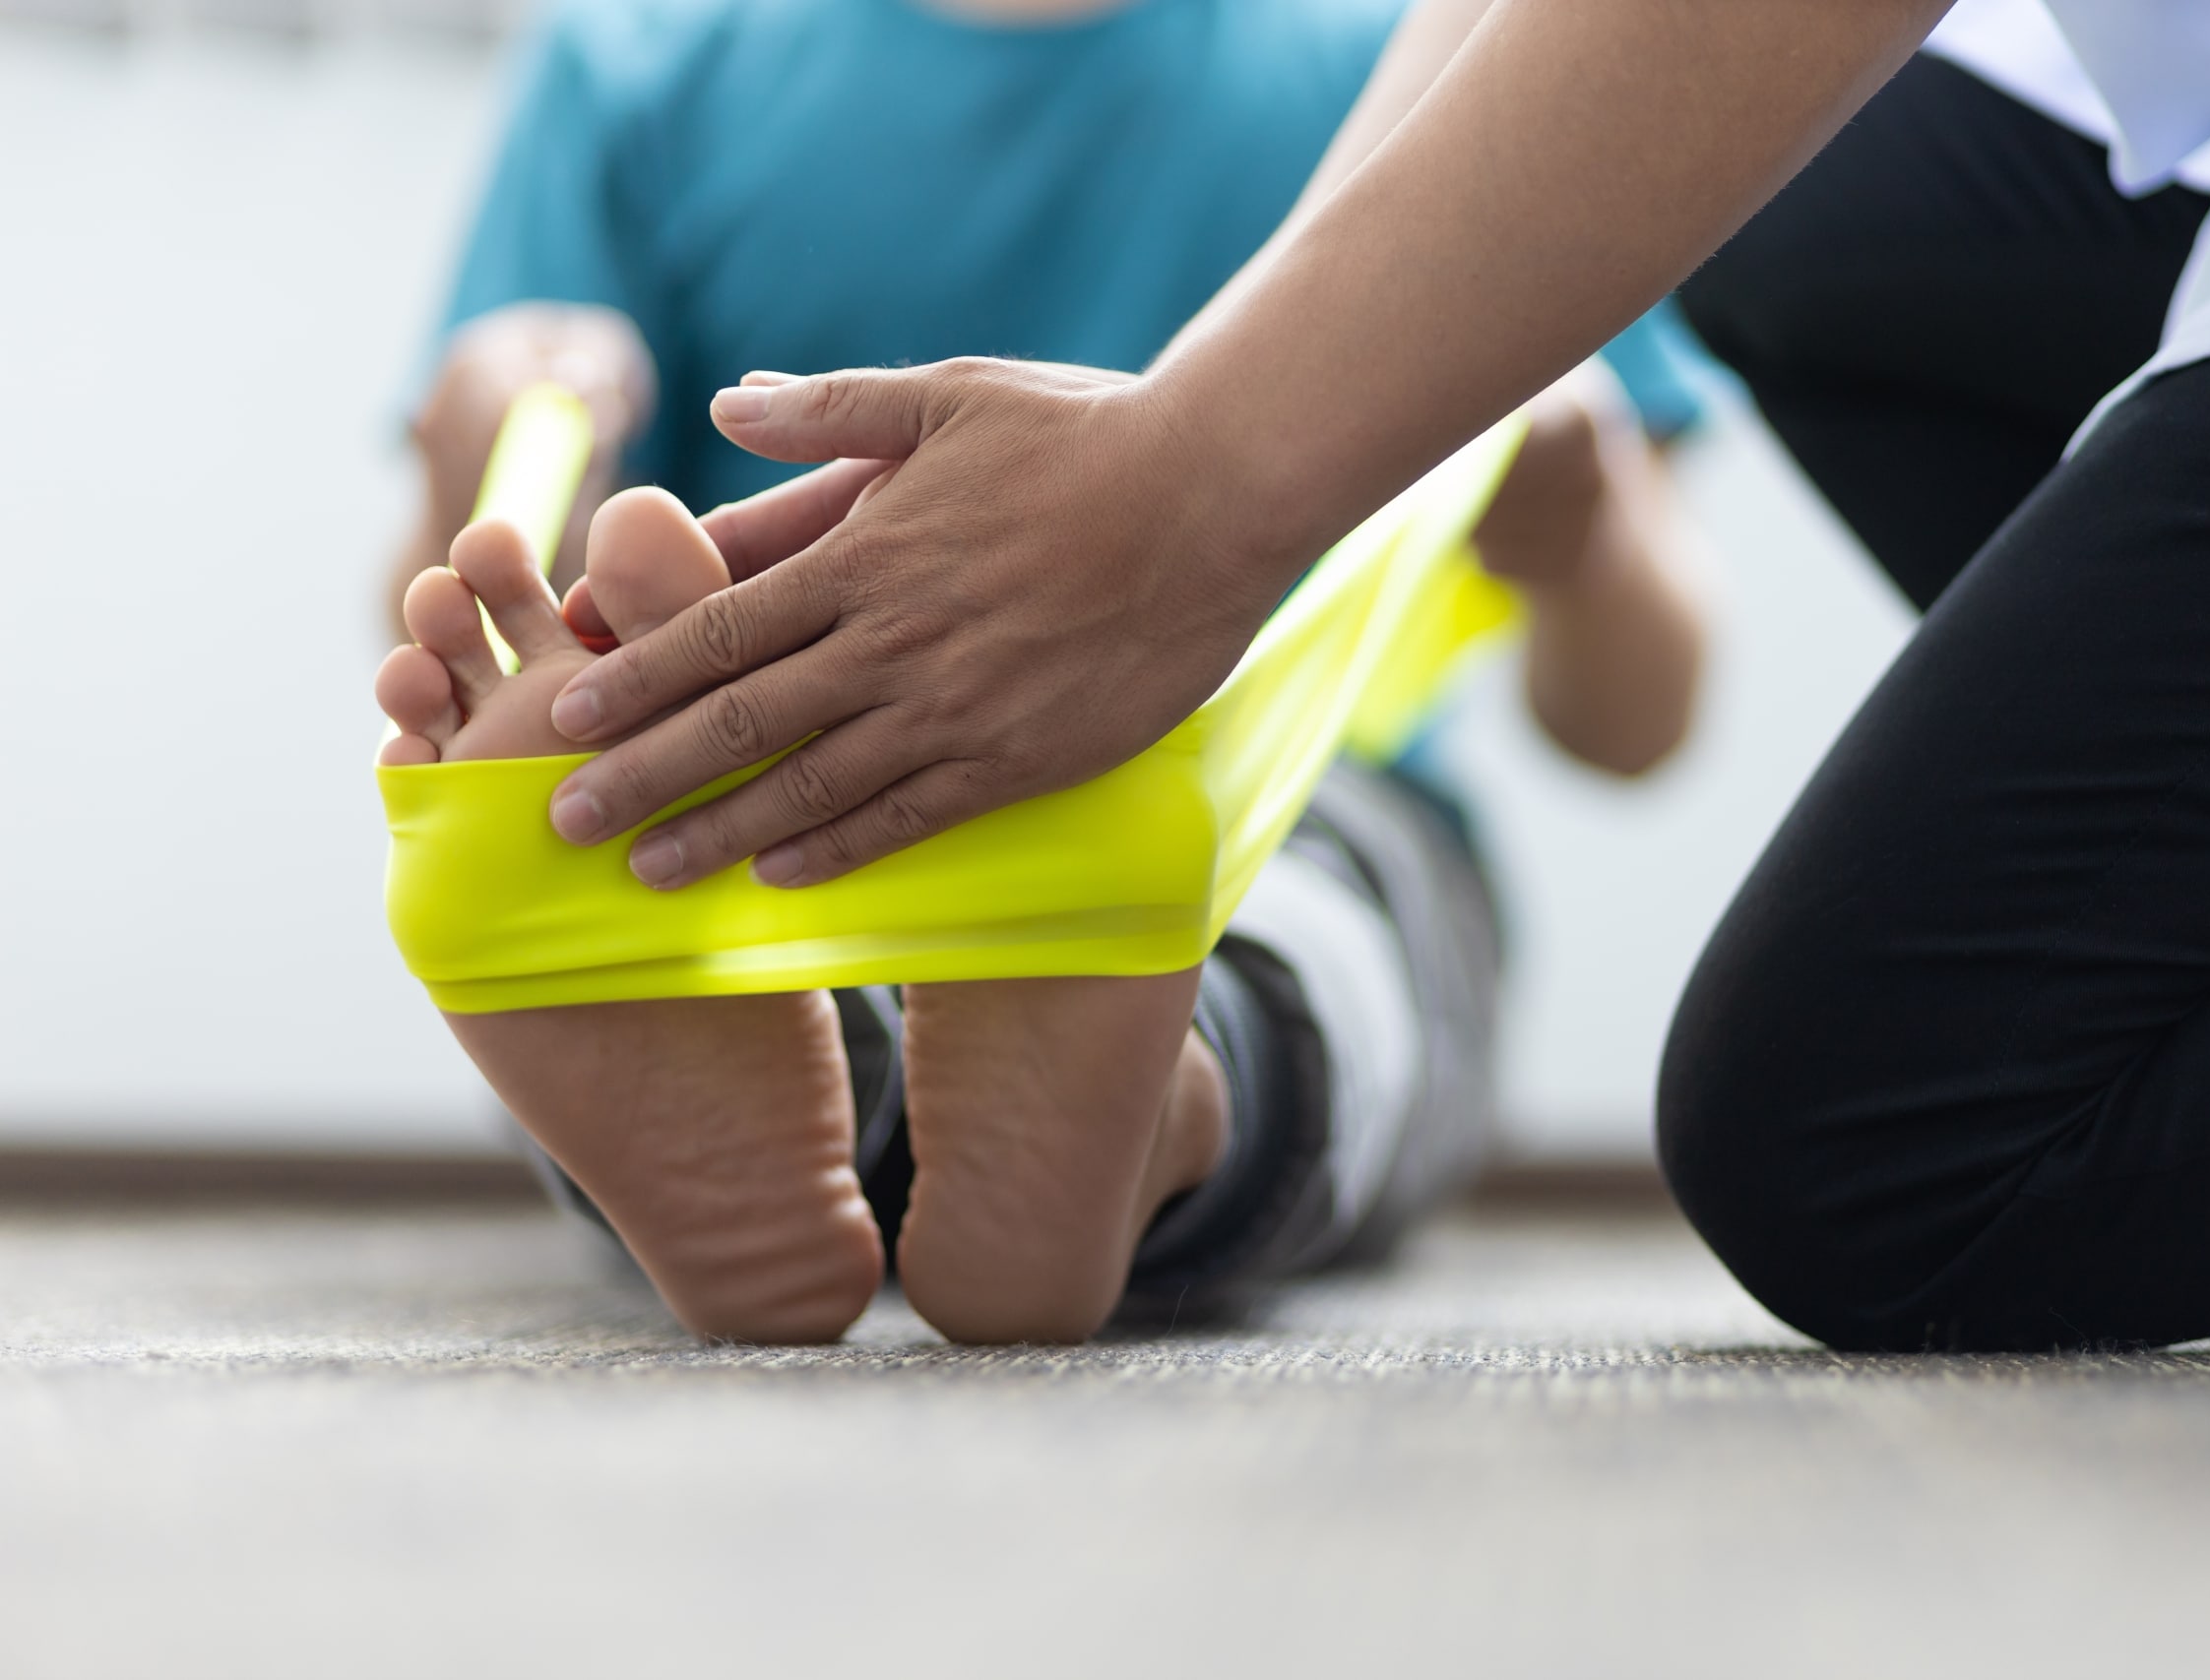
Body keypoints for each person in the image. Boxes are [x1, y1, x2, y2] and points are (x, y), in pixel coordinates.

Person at [516, 0, 2210, 1353]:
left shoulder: (1321, 55)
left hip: (1324, 786)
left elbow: (1630, 695)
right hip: (900, 774)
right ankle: (895, 1071)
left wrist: (1234, 498)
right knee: (1802, 203)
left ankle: (1158, 1102)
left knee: (1813, 1117)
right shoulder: (664, 62)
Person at [380, 0, 1710, 1344]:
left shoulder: (1448, 69)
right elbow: (463, 630)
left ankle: (1125, 1078)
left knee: (1281, 896)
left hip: (1275, 781)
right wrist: (482, 453)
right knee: (1262, 927)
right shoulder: (642, 64)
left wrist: (1580, 528)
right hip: (791, 780)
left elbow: (1637, 712)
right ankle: (1148, 1086)